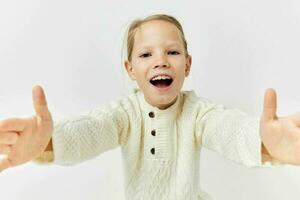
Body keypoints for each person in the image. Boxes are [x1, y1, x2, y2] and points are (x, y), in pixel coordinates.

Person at [0, 14, 300, 200]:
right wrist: (48, 142)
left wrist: (265, 143)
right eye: (146, 54)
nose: (161, 60)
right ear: (131, 69)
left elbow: (229, 130)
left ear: (188, 65)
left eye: (172, 51)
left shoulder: (197, 113)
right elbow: (91, 130)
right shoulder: (124, 113)